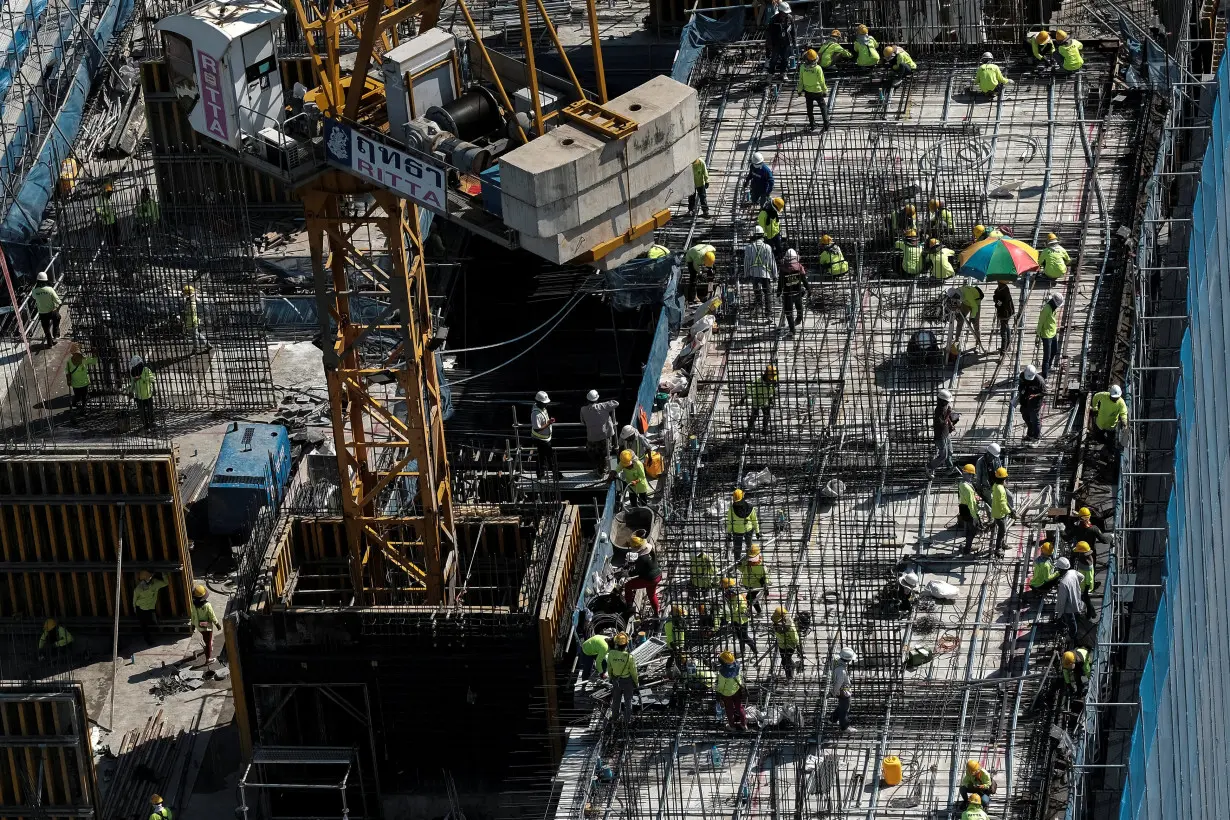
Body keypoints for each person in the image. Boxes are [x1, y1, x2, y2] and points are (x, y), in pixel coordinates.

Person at [580, 390, 620, 476]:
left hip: (592, 437)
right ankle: (603, 469)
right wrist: (602, 404)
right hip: (605, 436)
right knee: (605, 453)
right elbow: (616, 403)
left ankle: (600, 468)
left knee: (595, 453)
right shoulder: (603, 406)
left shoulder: (583, 410)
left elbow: (583, 422)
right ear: (597, 399)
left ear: (587, 400)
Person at [744, 226, 778, 319]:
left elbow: (746, 262)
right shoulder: (767, 247)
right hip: (765, 274)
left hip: (754, 274)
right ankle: (768, 314)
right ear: (762, 235)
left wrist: (746, 274)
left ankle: (758, 310)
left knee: (757, 293)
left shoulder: (749, 247)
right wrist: (775, 275)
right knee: (768, 293)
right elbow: (772, 261)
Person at [624, 537, 662, 615]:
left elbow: (637, 572)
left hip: (649, 579)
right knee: (651, 595)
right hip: (658, 575)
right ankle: (656, 613)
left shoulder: (641, 558)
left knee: (628, 586)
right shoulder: (650, 549)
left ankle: (629, 606)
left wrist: (628, 573)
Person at [530, 391, 564, 481]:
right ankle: (556, 475)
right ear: (539, 402)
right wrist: (549, 423)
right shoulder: (535, 414)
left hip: (544, 438)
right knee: (550, 458)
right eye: (544, 403)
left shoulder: (540, 408)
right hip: (541, 440)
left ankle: (540, 474)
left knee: (541, 457)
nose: (546, 405)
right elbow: (537, 428)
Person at [927, 388, 959, 478]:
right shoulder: (938, 411)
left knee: (950, 451)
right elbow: (941, 423)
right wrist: (948, 414)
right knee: (943, 456)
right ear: (941, 401)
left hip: (946, 434)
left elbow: (946, 419)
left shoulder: (944, 407)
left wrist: (950, 424)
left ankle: (949, 468)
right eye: (946, 401)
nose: (948, 403)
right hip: (940, 437)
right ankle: (929, 467)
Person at [720, 577, 757, 654]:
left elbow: (733, 610)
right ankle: (742, 651)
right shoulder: (732, 595)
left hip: (742, 620)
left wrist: (724, 604)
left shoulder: (736, 597)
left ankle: (755, 650)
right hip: (736, 619)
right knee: (740, 637)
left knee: (745, 637)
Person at [607, 632, 638, 721]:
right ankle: (627, 720)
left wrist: (611, 678)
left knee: (616, 701)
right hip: (627, 681)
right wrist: (636, 683)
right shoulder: (629, 657)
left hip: (616, 680)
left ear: (616, 643)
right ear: (626, 644)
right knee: (628, 701)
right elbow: (633, 672)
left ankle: (614, 718)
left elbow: (609, 668)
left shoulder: (611, 654)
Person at [778, 248, 809, 335]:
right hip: (798, 293)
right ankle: (799, 319)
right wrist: (808, 289)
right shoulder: (799, 267)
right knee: (799, 307)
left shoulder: (783, 269)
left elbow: (780, 282)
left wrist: (779, 291)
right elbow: (804, 280)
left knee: (788, 313)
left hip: (788, 295)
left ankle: (792, 330)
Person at [132, 570, 169, 645]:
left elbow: (166, 583)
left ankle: (152, 637)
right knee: (144, 626)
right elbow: (134, 600)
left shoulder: (155, 583)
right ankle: (148, 640)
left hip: (149, 608)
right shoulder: (139, 589)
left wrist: (164, 573)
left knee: (152, 622)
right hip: (141, 609)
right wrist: (135, 608)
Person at [796, 50, 830, 129]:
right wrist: (825, 91)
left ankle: (812, 124)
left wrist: (799, 91)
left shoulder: (802, 67)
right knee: (823, 107)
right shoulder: (818, 68)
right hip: (817, 91)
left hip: (808, 92)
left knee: (809, 109)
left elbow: (801, 80)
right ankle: (826, 123)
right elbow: (822, 81)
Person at [715, 650, 748, 730]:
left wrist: (718, 694)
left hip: (727, 694)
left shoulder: (723, 673)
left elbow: (721, 686)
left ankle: (732, 726)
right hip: (737, 690)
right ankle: (744, 725)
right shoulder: (737, 666)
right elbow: (740, 679)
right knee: (739, 708)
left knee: (729, 710)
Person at [1055, 558, 1084, 644]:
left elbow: (1062, 601)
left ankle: (1072, 636)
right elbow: (1082, 577)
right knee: (1074, 616)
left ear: (1060, 569)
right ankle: (1073, 632)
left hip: (1069, 607)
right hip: (1077, 598)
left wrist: (1059, 614)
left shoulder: (1063, 583)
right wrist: (1075, 585)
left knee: (1071, 620)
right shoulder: (1073, 572)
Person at [191, 583, 222, 662]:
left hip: (199, 626)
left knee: (206, 637)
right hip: (206, 625)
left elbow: (193, 615)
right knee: (208, 642)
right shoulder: (207, 605)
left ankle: (208, 644)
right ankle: (208, 659)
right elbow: (212, 616)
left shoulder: (193, 605)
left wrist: (192, 625)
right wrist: (217, 624)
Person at [827, 648, 856, 731]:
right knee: (845, 709)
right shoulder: (841, 670)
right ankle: (845, 727)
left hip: (842, 690)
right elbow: (838, 684)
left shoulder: (838, 662)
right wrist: (833, 692)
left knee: (841, 706)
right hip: (843, 691)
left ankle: (832, 720)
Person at [65, 345, 97, 417]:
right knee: (78, 397)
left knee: (84, 398)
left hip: (84, 383)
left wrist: (94, 353)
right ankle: (75, 403)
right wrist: (68, 380)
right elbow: (67, 371)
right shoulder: (69, 362)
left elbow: (94, 361)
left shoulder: (84, 360)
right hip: (76, 384)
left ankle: (83, 410)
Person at [727, 488, 760, 559]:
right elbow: (729, 521)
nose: (737, 503)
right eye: (736, 502)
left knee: (749, 546)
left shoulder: (750, 507)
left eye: (738, 502)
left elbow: (754, 520)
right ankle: (737, 562)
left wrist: (757, 531)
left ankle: (749, 559)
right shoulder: (732, 509)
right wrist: (729, 533)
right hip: (737, 532)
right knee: (737, 548)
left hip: (748, 530)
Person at [1018, 364, 1046, 445]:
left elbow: (1044, 393)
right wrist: (1022, 390)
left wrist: (1035, 395)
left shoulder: (1039, 381)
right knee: (1026, 417)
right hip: (1025, 401)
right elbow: (1020, 386)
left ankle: (1036, 438)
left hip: (1035, 403)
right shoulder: (1022, 376)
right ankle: (1030, 435)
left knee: (1035, 420)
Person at [31, 272, 63, 346]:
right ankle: (56, 334)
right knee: (57, 318)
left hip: (42, 313)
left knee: (46, 328)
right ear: (46, 280)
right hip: (52, 311)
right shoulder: (50, 289)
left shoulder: (34, 291)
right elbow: (57, 300)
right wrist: (60, 303)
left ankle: (50, 343)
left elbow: (34, 297)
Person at [772, 607, 803, 679]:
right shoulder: (776, 622)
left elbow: (796, 639)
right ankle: (793, 666)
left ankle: (789, 677)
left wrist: (799, 649)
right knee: (785, 661)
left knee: (786, 662)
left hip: (789, 646)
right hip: (781, 645)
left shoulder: (790, 627)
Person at [1037, 293, 1063, 379]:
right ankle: (1044, 376)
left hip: (1053, 333)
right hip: (1046, 335)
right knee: (1046, 357)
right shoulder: (1047, 309)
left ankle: (1048, 367)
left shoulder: (1053, 308)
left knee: (1054, 351)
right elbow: (1041, 322)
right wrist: (1038, 335)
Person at [989, 466, 1014, 554]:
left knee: (1002, 530)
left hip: (997, 512)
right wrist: (1010, 512)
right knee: (1002, 531)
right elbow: (1003, 504)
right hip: (1000, 514)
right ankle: (998, 548)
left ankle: (1002, 544)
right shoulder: (1001, 489)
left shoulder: (996, 486)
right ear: (1004, 478)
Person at [739, 545, 770, 615]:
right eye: (749, 556)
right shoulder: (747, 562)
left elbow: (766, 577)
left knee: (749, 598)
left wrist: (766, 586)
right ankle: (758, 611)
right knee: (752, 598)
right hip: (747, 583)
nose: (750, 558)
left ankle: (745, 611)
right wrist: (739, 565)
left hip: (756, 585)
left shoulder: (762, 566)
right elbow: (743, 570)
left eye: (752, 557)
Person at [957, 464, 981, 553]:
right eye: (970, 474)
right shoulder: (967, 488)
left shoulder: (962, 483)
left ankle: (967, 545)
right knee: (973, 530)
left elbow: (967, 498)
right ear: (966, 474)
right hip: (968, 510)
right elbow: (971, 504)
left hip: (963, 508)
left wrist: (974, 496)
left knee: (969, 528)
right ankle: (967, 549)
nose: (972, 476)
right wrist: (975, 517)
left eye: (972, 475)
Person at [747, 364, 778, 433]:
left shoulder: (773, 379)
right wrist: (744, 397)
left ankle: (764, 429)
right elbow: (749, 387)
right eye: (770, 377)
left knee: (767, 414)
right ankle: (748, 433)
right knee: (754, 416)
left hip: (765, 400)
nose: (771, 379)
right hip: (757, 400)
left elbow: (771, 390)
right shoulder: (758, 381)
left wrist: (771, 399)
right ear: (765, 373)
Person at [766, 1, 795, 73]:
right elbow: (769, 33)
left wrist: (794, 42)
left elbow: (793, 31)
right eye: (785, 13)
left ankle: (783, 74)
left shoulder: (790, 18)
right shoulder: (773, 19)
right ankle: (770, 74)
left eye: (787, 13)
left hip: (786, 42)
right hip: (776, 43)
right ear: (780, 11)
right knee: (774, 60)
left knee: (785, 59)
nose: (786, 14)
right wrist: (769, 44)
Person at [129, 356, 157, 431]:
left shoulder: (146, 370)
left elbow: (152, 379)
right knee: (142, 412)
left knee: (150, 411)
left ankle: (152, 423)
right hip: (139, 396)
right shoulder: (133, 373)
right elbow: (132, 383)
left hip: (148, 395)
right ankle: (145, 424)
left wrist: (142, 378)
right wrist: (131, 392)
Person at [182, 285, 210, 353]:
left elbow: (187, 312)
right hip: (194, 321)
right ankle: (208, 345)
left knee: (195, 336)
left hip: (191, 322)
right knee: (197, 335)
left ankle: (195, 349)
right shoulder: (194, 301)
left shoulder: (190, 303)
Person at [1073, 540, 1096, 615]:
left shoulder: (1087, 564)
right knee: (1086, 599)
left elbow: (1089, 579)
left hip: (1086, 587)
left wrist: (1086, 588)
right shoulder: (1083, 558)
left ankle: (1091, 613)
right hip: (1082, 585)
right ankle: (1091, 613)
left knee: (1086, 599)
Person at [993, 280, 1015, 354]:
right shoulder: (1001, 288)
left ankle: (1003, 351)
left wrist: (996, 300)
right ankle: (1008, 345)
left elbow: (1001, 303)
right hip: (1006, 312)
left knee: (1003, 332)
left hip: (1005, 313)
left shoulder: (1004, 290)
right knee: (1006, 327)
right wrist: (996, 298)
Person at [664, 605, 687, 670]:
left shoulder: (681, 621)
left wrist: (681, 646)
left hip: (680, 643)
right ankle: (668, 670)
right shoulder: (669, 623)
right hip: (672, 645)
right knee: (673, 657)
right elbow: (669, 637)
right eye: (680, 615)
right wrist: (674, 648)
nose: (682, 617)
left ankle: (681, 669)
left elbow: (683, 632)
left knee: (682, 657)